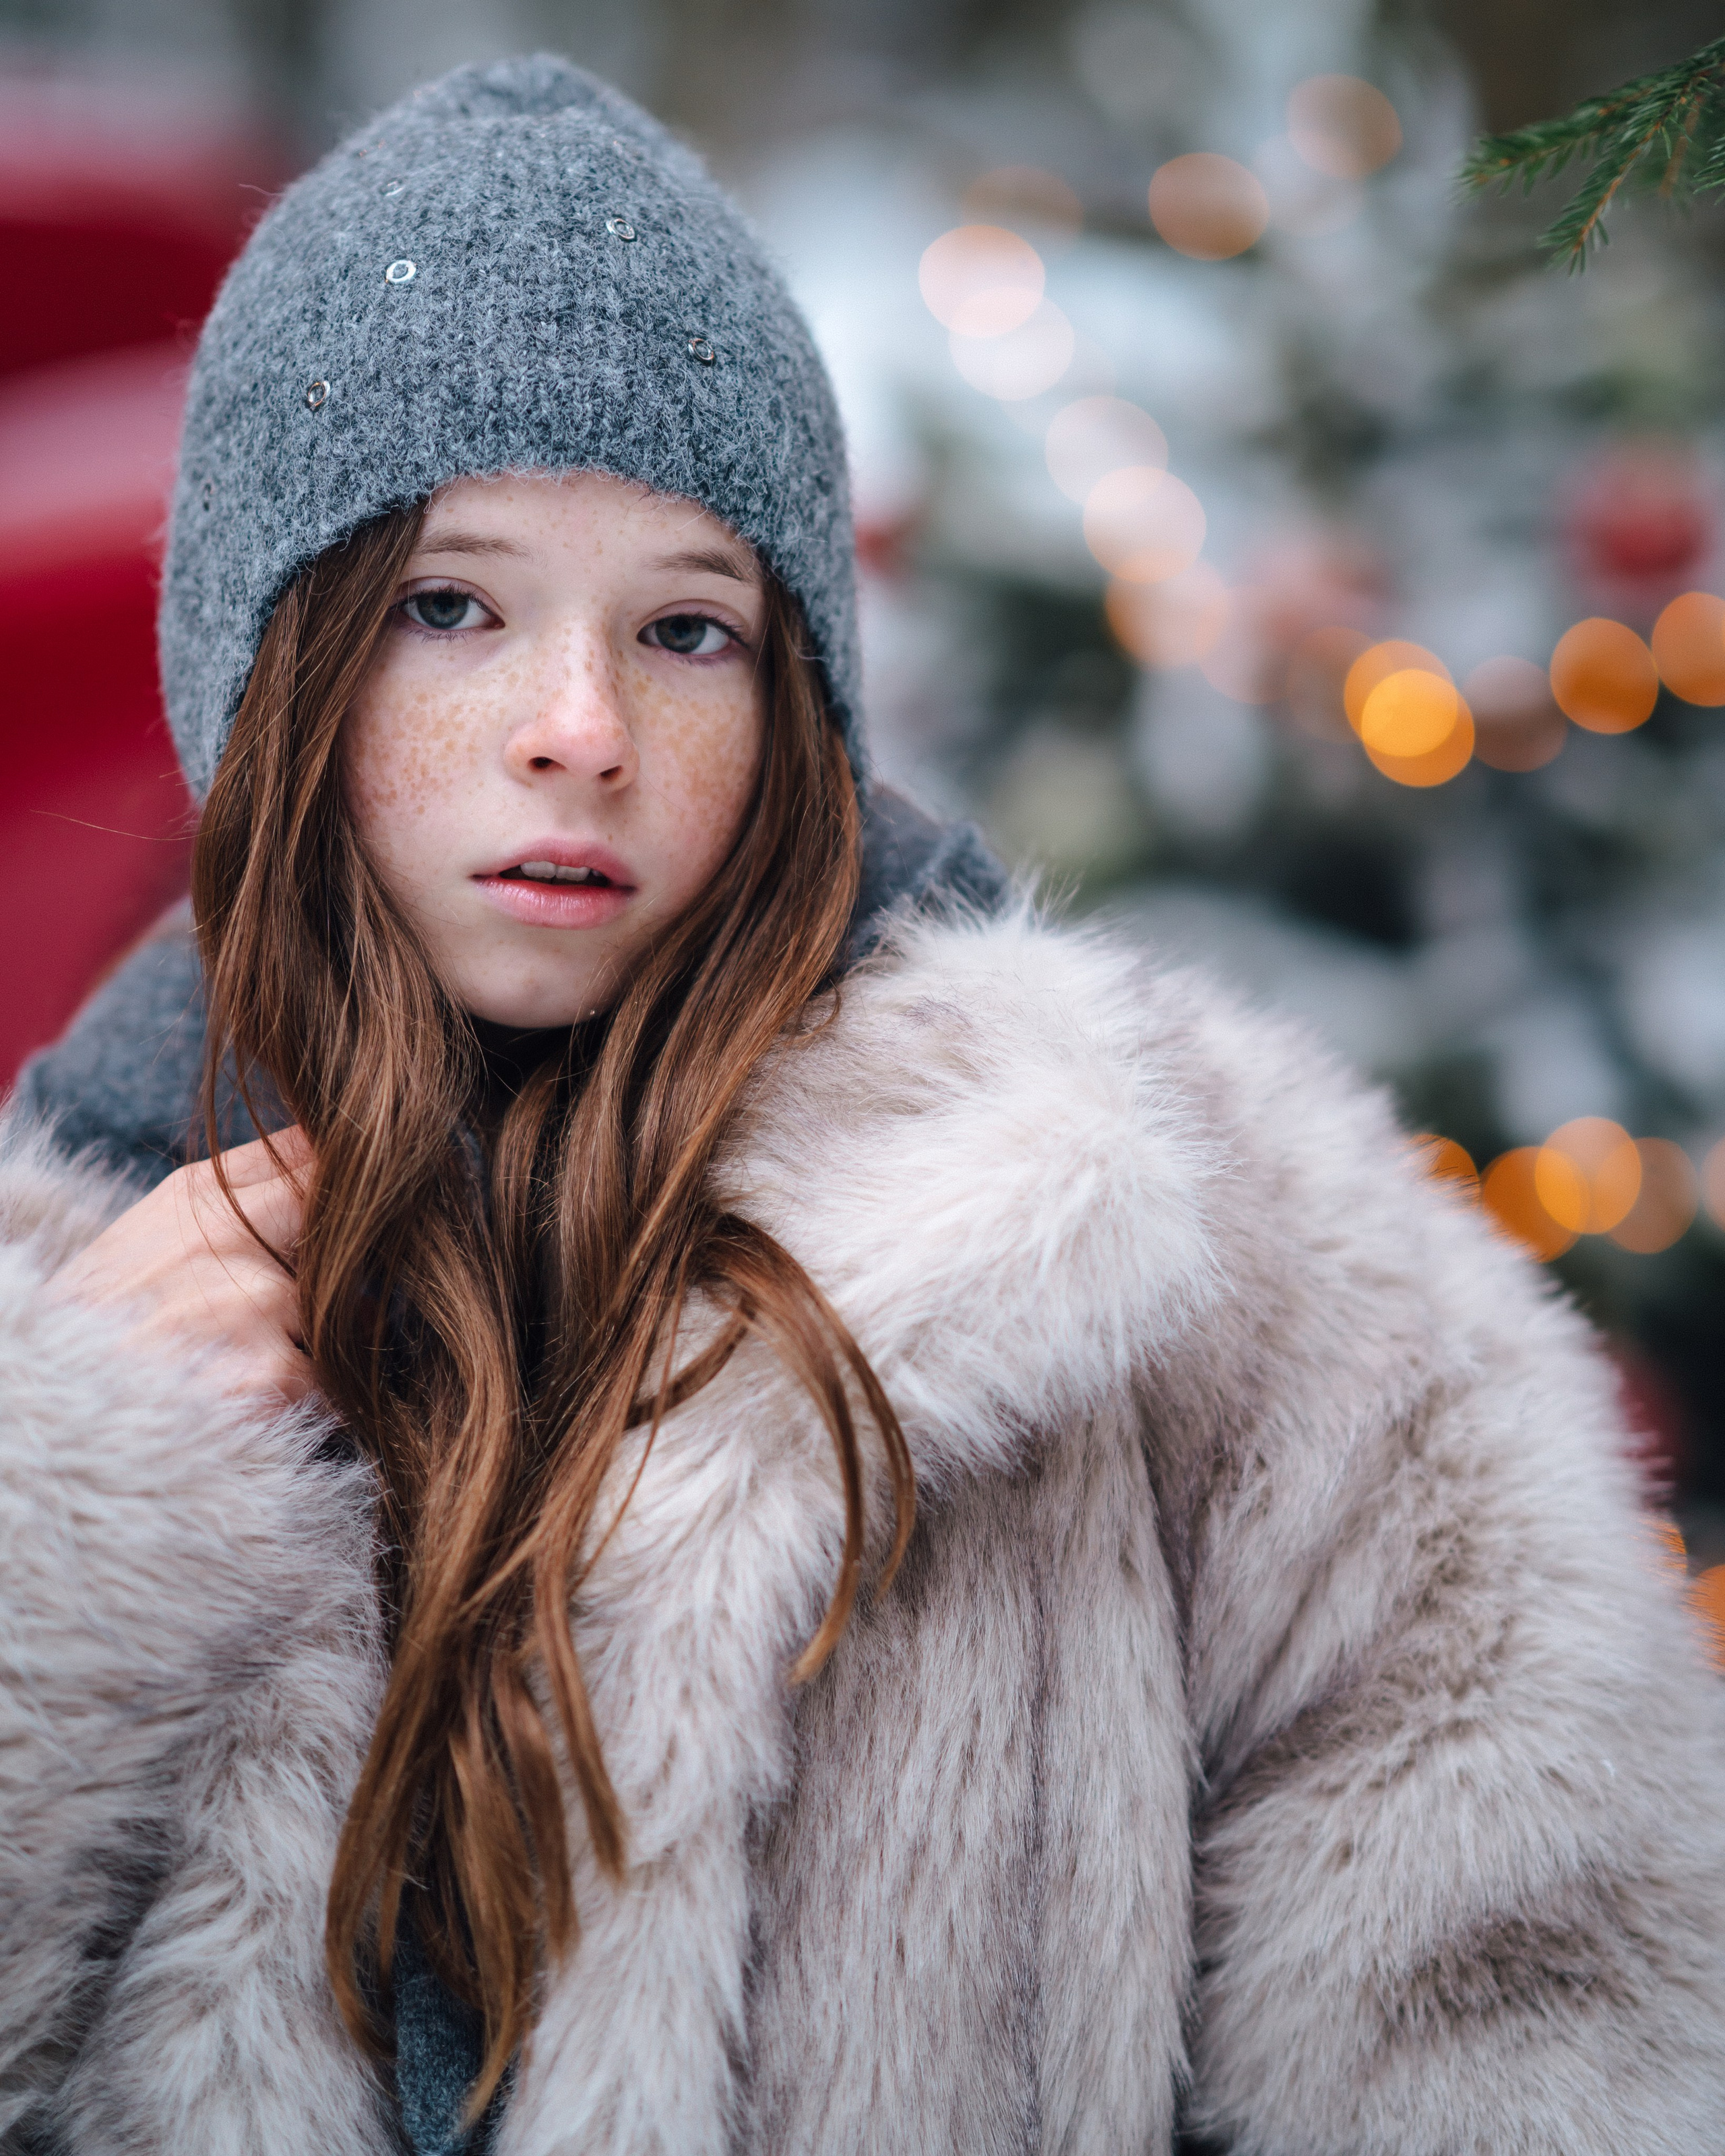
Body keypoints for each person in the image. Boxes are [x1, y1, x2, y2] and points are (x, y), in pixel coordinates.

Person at [1, 53, 1722, 2156]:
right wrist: (62, 1509)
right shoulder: (62, 1305)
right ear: (266, 668)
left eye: (690, 631)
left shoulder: (1192, 1247)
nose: (579, 729)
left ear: (799, 691)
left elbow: (1545, 1989)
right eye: (452, 606)